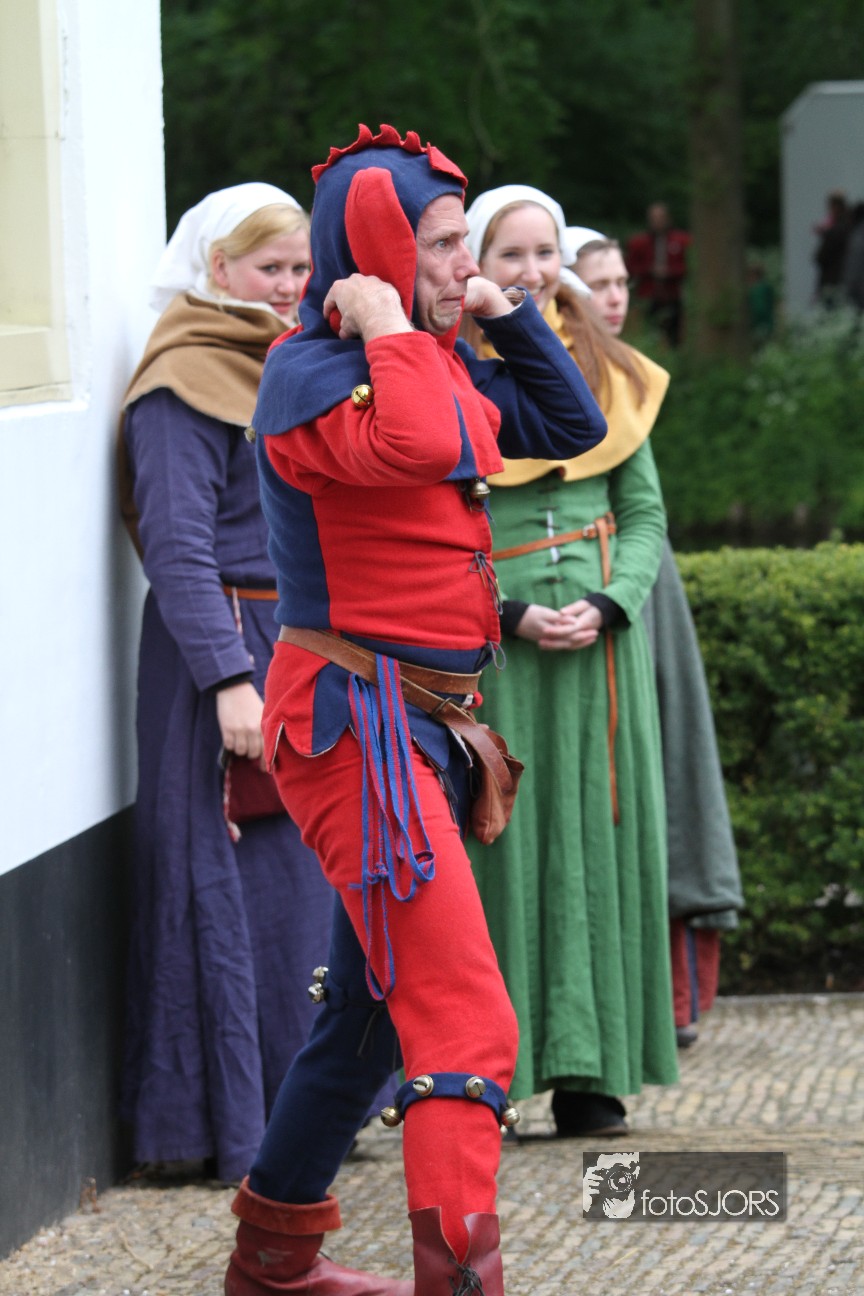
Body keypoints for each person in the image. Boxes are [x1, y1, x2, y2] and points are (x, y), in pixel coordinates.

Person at [221, 125, 607, 1296]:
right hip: (355, 729)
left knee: (370, 1017)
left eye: (460, 241)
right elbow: (427, 440)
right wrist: (391, 322)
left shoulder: (429, 362)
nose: (461, 261)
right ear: (376, 254)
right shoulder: (307, 376)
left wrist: (501, 311)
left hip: (421, 729)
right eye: (439, 243)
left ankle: (273, 1261)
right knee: (463, 1018)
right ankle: (461, 1280)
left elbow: (572, 425)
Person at [118, 184, 337, 1186]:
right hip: (220, 661)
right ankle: (223, 1128)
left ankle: (306, 1118)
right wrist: (229, 679)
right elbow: (176, 546)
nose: (290, 286)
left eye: (300, 268)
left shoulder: (286, 361)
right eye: (270, 269)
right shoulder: (182, 378)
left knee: (299, 891)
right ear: (216, 268)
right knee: (225, 885)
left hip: (293, 644)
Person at [462, 184, 678, 1139]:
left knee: (597, 846)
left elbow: (643, 516)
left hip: (600, 660)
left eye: (545, 252)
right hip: (498, 657)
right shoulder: (451, 372)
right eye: (510, 254)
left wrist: (611, 600)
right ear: (475, 264)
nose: (533, 271)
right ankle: (493, 1078)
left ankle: (594, 1077)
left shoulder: (612, 369)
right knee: (500, 854)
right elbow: (435, 533)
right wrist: (506, 612)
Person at [574, 230, 744, 1048]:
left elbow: (642, 510)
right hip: (581, 601)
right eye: (595, 283)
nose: (613, 298)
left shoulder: (627, 378)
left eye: (620, 282)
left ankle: (670, 995)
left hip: (635, 589)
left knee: (664, 778)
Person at [626, 202, 691, 347]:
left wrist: (670, 272)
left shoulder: (681, 240)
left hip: (673, 295)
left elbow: (689, 266)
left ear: (668, 218)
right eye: (654, 218)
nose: (658, 221)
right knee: (648, 332)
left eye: (661, 217)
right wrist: (650, 270)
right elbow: (630, 267)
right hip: (648, 295)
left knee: (674, 334)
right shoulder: (639, 243)